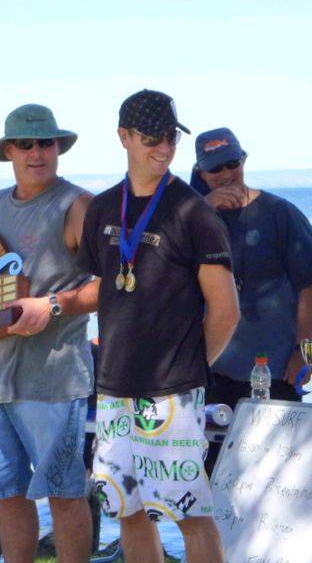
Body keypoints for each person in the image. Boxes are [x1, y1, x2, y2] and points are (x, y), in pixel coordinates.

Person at [75, 89, 240, 563]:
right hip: (113, 387)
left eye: (171, 136)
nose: (164, 148)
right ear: (123, 137)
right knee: (127, 510)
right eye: (151, 138)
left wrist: (189, 370)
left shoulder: (194, 212)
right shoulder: (103, 209)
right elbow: (105, 288)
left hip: (173, 393)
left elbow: (226, 310)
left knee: (188, 512)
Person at [0, 104, 97, 563]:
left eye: (46, 143)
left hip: (55, 379)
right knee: (5, 495)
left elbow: (115, 285)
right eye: (25, 144)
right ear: (8, 151)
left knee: (65, 494)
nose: (36, 153)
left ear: (59, 148)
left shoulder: (78, 205)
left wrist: (51, 305)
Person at [189, 127, 312, 473]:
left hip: (274, 372)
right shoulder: (193, 219)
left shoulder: (281, 214)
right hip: (212, 372)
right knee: (211, 474)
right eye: (215, 168)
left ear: (244, 161)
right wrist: (202, 211)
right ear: (201, 173)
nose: (226, 174)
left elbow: (311, 288)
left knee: (276, 473)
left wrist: (301, 351)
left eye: (232, 164)